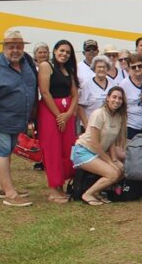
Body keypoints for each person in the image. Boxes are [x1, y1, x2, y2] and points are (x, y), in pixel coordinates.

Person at [0, 29, 38, 207]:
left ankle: (3, 187)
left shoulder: (26, 63)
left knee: (8, 152)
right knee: (2, 153)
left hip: (17, 120)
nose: (15, 50)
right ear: (4, 47)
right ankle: (11, 195)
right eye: (11, 47)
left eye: (18, 46)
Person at [38, 40, 81, 203]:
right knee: (52, 150)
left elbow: (75, 94)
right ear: (55, 51)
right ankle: (53, 189)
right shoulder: (46, 66)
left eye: (68, 52)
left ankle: (61, 185)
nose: (64, 54)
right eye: (61, 51)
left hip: (66, 112)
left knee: (66, 150)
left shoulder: (67, 70)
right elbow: (45, 92)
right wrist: (59, 116)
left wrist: (68, 114)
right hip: (50, 112)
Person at [70, 86, 127, 205]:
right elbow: (95, 143)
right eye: (114, 97)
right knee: (113, 173)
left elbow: (111, 140)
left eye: (120, 98)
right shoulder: (98, 114)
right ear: (107, 98)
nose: (117, 100)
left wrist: (114, 159)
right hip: (84, 151)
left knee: (121, 169)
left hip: (98, 153)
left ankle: (98, 192)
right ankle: (88, 194)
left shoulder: (118, 117)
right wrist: (110, 162)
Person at [78, 56, 113, 128]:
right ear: (94, 69)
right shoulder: (86, 84)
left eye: (104, 67)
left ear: (108, 68)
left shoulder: (113, 84)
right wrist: (86, 125)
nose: (101, 69)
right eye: (99, 67)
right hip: (90, 125)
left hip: (108, 125)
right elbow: (80, 106)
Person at [119, 53, 142, 138]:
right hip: (132, 127)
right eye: (133, 67)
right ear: (129, 67)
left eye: (139, 66)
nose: (137, 69)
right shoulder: (124, 85)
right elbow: (121, 108)